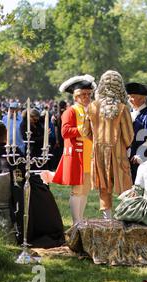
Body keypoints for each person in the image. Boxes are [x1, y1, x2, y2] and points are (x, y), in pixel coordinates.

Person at [0, 123, 65, 248]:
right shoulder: (13, 154)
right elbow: (23, 173)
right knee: (40, 190)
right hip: (11, 198)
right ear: (6, 136)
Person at [82, 70, 134, 219]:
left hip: (98, 151)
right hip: (118, 153)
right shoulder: (122, 108)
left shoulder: (92, 107)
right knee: (124, 184)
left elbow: (85, 131)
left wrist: (98, 141)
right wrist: (120, 144)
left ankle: (107, 219)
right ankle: (126, 218)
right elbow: (129, 136)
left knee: (104, 187)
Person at [52, 75, 96, 225]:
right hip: (77, 156)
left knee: (85, 190)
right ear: (76, 96)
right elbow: (65, 132)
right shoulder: (70, 111)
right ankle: (76, 221)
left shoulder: (91, 110)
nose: (87, 97)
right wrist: (80, 129)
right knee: (77, 190)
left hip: (89, 155)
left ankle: (81, 219)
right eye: (83, 94)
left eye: (89, 94)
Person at [126, 82, 147, 183]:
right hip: (129, 157)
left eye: (133, 97)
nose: (130, 99)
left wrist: (141, 154)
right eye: (129, 96)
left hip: (141, 158)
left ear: (142, 99)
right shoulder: (129, 113)